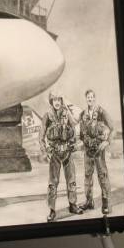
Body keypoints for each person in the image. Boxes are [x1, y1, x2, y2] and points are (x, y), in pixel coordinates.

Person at [41, 92, 83, 222]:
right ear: (51, 102)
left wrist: (74, 144)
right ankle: (52, 210)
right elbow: (41, 135)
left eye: (59, 99)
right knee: (53, 184)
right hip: (54, 154)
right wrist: (46, 150)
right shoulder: (47, 116)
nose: (57, 102)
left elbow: (75, 127)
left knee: (71, 180)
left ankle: (73, 205)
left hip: (67, 152)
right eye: (54, 100)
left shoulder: (67, 114)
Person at [79, 89, 113, 215]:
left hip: (99, 150)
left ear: (95, 98)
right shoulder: (83, 114)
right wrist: (83, 142)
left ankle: (106, 203)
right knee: (87, 176)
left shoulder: (101, 112)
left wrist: (107, 141)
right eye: (88, 97)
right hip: (88, 151)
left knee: (102, 176)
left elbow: (112, 128)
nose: (90, 99)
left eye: (92, 97)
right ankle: (89, 201)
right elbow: (82, 133)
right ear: (86, 99)